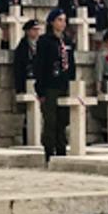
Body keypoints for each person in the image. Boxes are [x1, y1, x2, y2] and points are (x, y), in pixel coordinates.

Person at [34, 9, 74, 158]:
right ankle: (49, 152)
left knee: (63, 120)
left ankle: (61, 149)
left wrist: (72, 80)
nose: (62, 23)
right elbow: (40, 65)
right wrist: (40, 90)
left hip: (63, 84)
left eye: (64, 20)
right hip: (50, 85)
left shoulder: (67, 41)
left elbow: (71, 63)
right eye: (59, 20)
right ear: (52, 22)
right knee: (50, 120)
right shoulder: (44, 41)